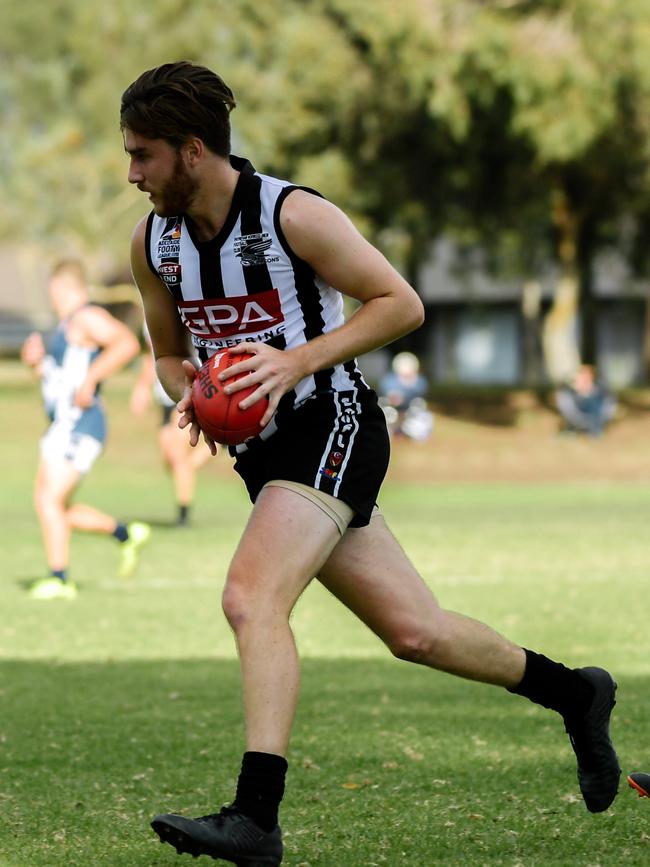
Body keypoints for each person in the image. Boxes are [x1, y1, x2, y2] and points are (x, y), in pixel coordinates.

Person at [121, 62, 620, 865]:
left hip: (335, 419)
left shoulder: (293, 214)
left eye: (144, 154)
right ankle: (576, 692)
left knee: (251, 599)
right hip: (265, 454)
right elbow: (169, 355)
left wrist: (294, 363)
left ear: (191, 150)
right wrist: (193, 392)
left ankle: (256, 816)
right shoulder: (155, 244)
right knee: (416, 632)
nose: (132, 173)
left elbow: (401, 304)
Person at [21, 259, 151, 600]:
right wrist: (37, 364)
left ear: (62, 287)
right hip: (62, 423)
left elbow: (126, 343)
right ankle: (124, 533)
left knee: (49, 500)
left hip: (80, 423)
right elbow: (61, 381)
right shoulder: (66, 325)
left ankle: (60, 579)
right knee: (53, 505)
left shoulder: (85, 316)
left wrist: (93, 379)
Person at [130, 324, 210, 527]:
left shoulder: (185, 305)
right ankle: (221, 442)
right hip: (164, 396)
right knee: (170, 460)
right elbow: (151, 356)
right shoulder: (148, 322)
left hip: (188, 389)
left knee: (177, 455)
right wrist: (142, 387)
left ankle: (183, 516)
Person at [379, 350, 433, 440]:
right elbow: (389, 397)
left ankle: (408, 432)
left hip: (411, 414)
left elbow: (420, 395)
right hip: (393, 413)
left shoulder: (419, 381)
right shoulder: (389, 380)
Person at [555, 364, 617, 437]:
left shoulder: (600, 391)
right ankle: (572, 429)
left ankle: (594, 430)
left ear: (591, 377)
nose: (582, 378)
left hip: (594, 417)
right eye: (581, 375)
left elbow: (609, 403)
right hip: (577, 416)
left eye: (586, 376)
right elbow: (566, 404)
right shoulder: (570, 391)